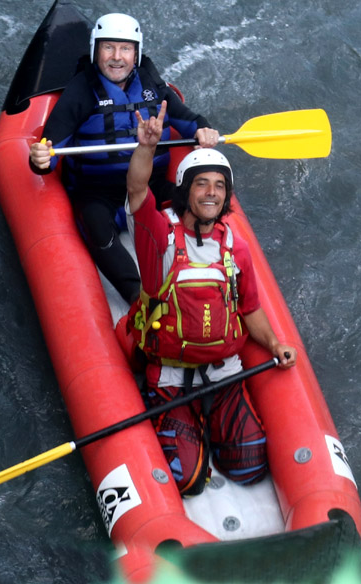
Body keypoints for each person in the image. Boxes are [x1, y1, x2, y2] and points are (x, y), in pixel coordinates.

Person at [124, 101, 296, 496]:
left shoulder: (235, 248)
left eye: (220, 186)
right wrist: (146, 149)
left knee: (249, 465)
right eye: (202, 183)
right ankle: (186, 420)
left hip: (223, 371)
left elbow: (249, 307)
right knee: (188, 480)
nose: (211, 193)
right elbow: (137, 189)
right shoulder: (159, 236)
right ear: (185, 190)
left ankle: (210, 418)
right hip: (168, 375)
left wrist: (274, 343)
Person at [29, 13, 220, 302]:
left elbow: (188, 120)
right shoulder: (80, 92)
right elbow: (50, 151)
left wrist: (204, 131)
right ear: (96, 50)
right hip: (97, 192)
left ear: (136, 53)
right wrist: (40, 159)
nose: (117, 57)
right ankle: (137, 296)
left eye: (125, 49)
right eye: (108, 48)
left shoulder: (152, 86)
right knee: (94, 223)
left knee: (196, 204)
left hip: (150, 187)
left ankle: (214, 279)